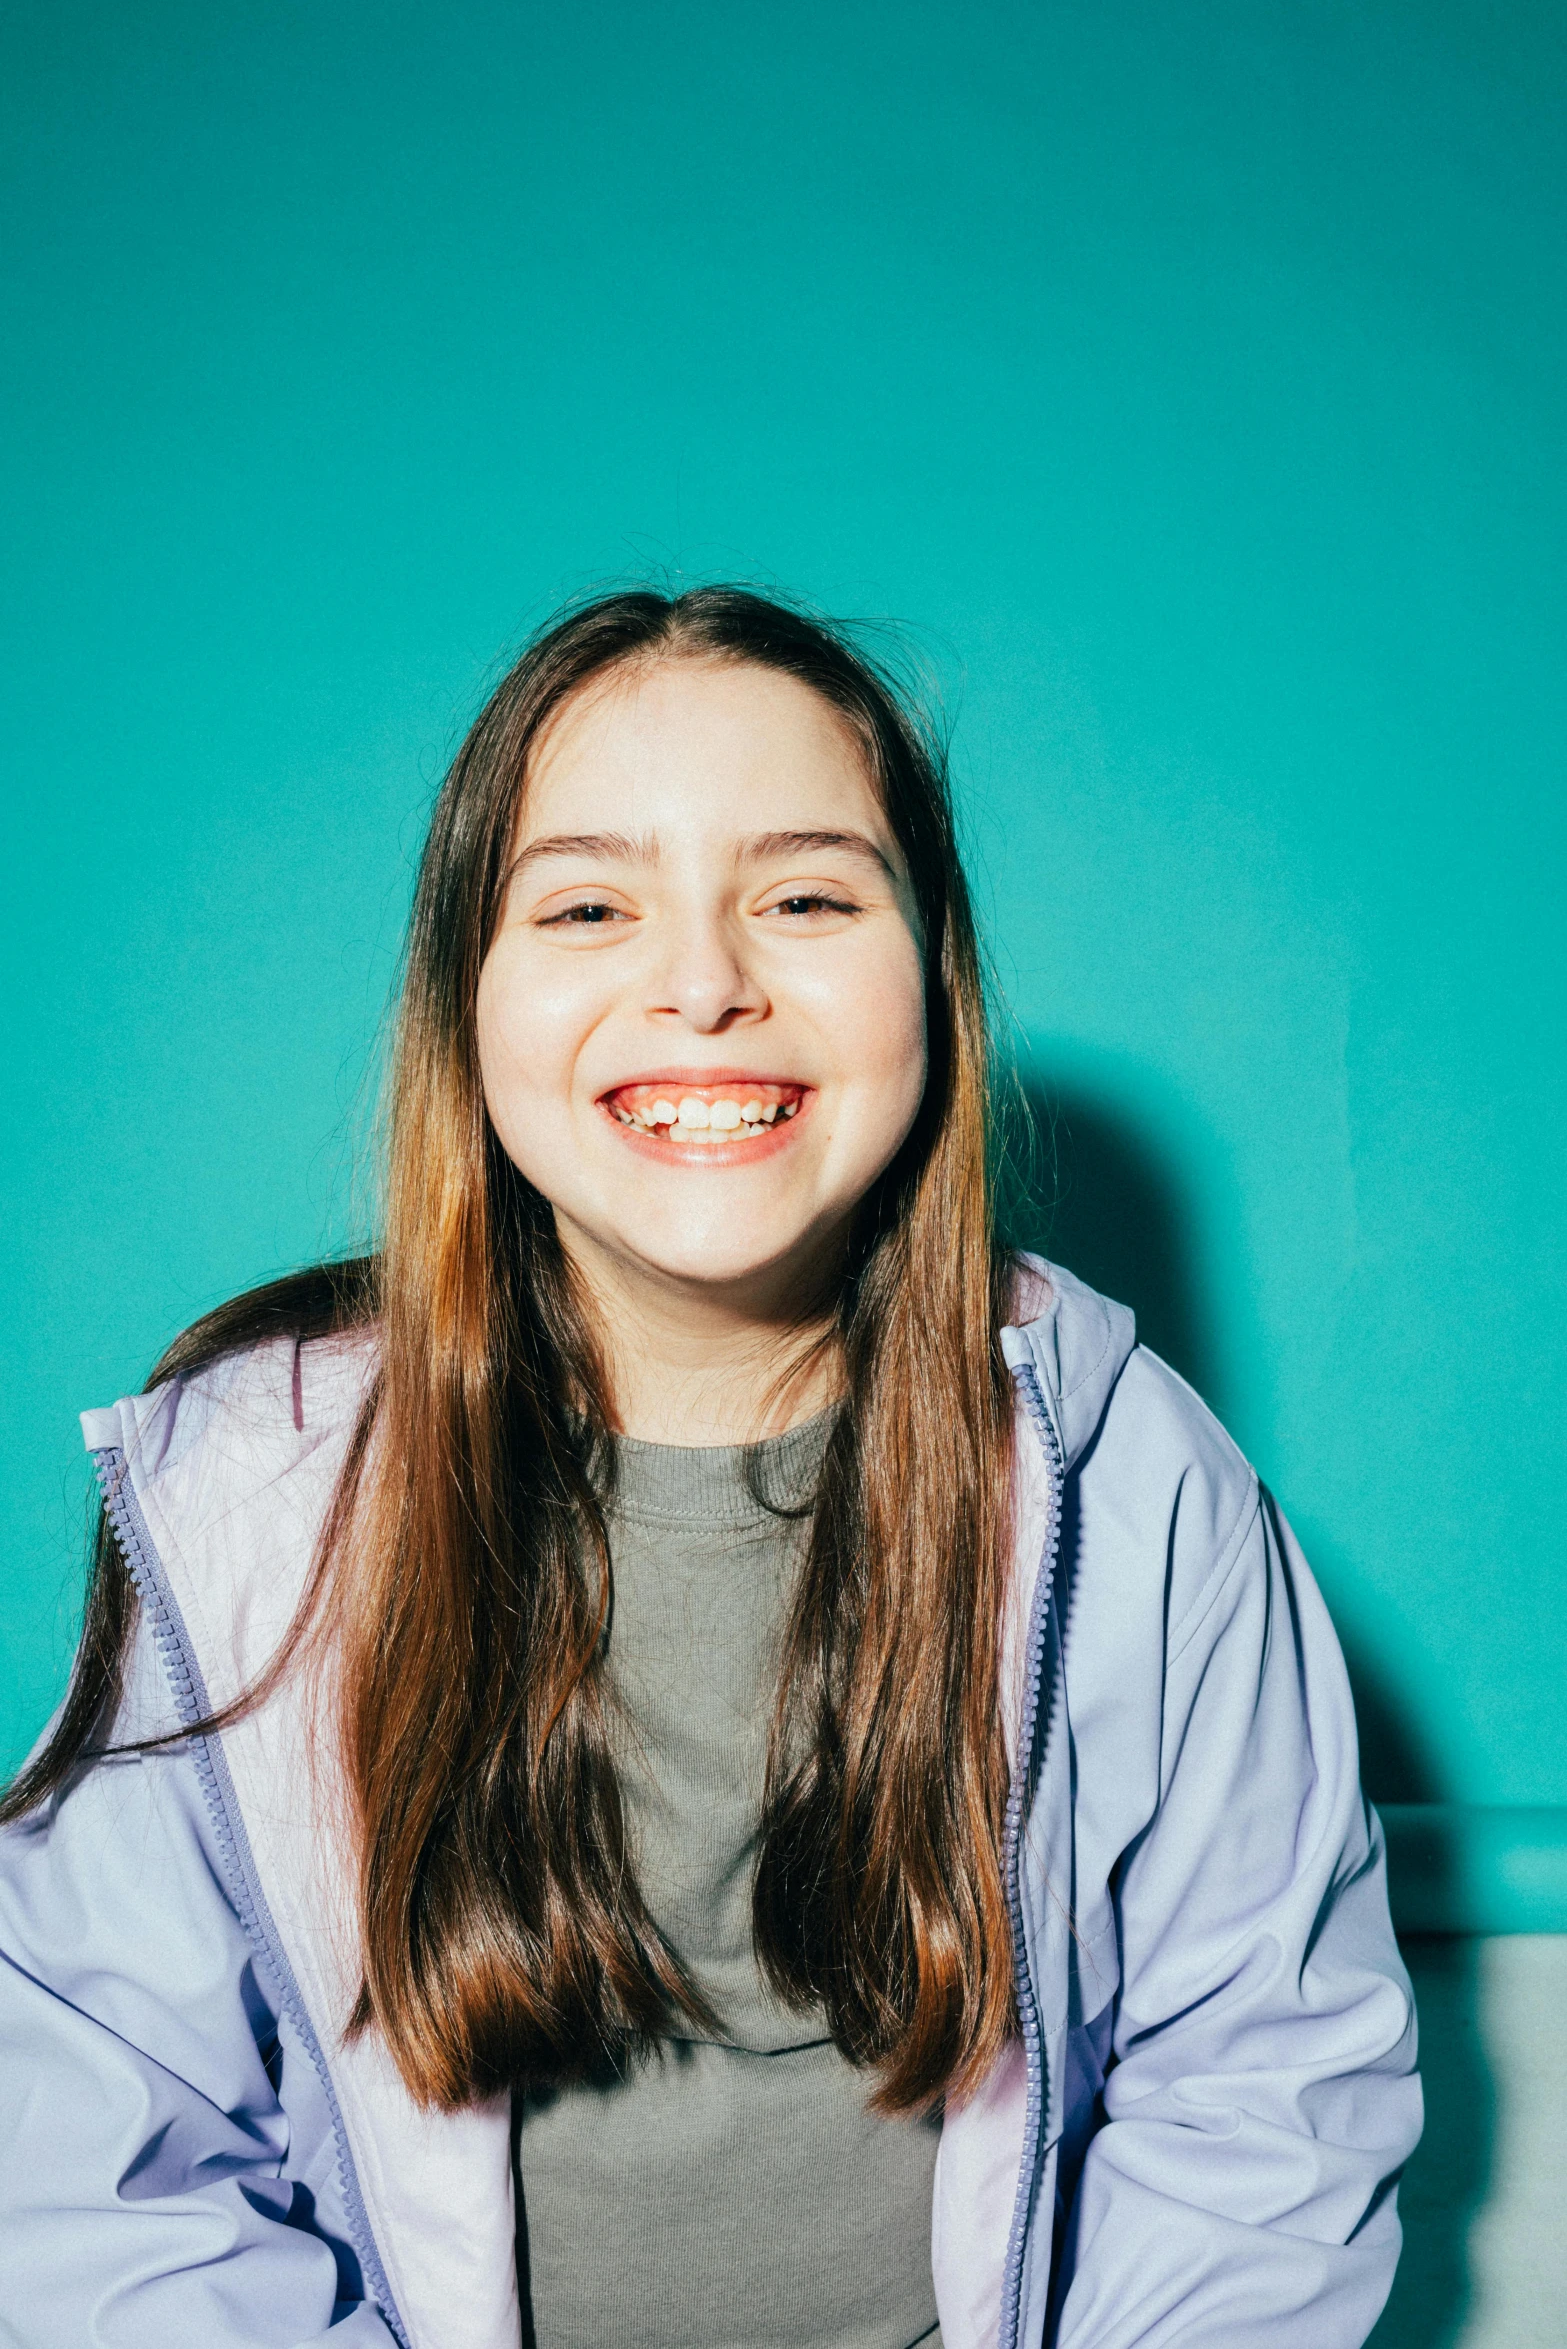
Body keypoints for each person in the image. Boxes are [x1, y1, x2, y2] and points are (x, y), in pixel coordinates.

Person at [0, 587, 1420, 2349]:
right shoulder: (249, 1497)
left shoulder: (1130, 1479)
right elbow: (96, 2156)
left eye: (807, 896)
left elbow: (1260, 2097)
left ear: (935, 979)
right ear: (467, 1003)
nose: (702, 983)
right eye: (589, 903)